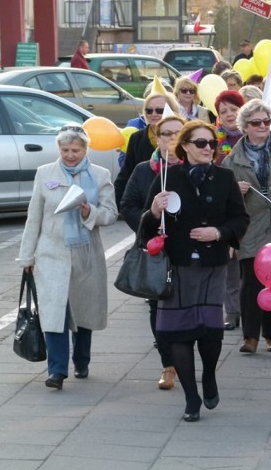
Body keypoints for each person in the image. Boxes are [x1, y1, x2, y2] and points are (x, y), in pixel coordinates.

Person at [140, 120, 249, 422]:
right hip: (178, 267)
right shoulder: (167, 177)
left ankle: (210, 376)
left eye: (211, 143)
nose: (207, 148)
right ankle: (191, 397)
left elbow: (240, 220)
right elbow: (145, 223)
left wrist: (218, 232)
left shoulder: (225, 177)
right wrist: (154, 211)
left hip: (213, 265)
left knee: (210, 332)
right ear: (185, 146)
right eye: (200, 143)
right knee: (177, 334)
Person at [17, 125, 118, 390]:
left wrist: (89, 212)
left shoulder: (100, 174)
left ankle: (81, 360)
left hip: (86, 251)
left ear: (85, 150)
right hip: (51, 251)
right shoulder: (45, 173)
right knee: (54, 311)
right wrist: (26, 256)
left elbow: (110, 213)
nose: (70, 155)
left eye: (75, 150)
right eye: (65, 150)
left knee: (83, 310)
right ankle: (57, 370)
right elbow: (34, 217)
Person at [222, 99, 271, 354]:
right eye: (256, 122)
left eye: (266, 121)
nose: (263, 126)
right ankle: (250, 336)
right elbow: (225, 200)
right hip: (250, 226)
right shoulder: (233, 159)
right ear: (245, 126)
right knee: (251, 282)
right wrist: (235, 192)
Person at [120, 114, 185, 390]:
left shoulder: (194, 168)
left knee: (185, 306)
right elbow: (128, 205)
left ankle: (185, 356)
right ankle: (168, 364)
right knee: (158, 304)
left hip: (186, 248)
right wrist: (149, 221)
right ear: (157, 138)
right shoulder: (144, 170)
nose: (171, 139)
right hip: (156, 249)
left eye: (177, 133)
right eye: (166, 134)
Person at [114, 89, 180, 210]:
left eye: (159, 110)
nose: (153, 114)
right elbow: (126, 174)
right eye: (149, 110)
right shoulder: (136, 138)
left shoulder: (185, 137)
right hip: (144, 207)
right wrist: (122, 206)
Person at [213, 90, 246, 330]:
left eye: (233, 109)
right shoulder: (213, 141)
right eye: (223, 111)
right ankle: (232, 311)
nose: (229, 114)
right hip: (227, 212)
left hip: (255, 211)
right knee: (231, 266)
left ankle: (257, 311)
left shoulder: (253, 136)